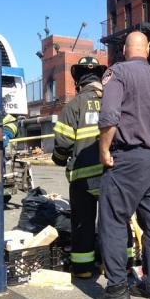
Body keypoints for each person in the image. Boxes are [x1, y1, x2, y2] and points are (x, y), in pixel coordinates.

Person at [82, 31, 150, 299]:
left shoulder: (117, 72)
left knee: (112, 220)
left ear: (123, 49)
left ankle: (117, 291)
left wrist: (104, 151)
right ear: (147, 49)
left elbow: (109, 117)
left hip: (128, 160)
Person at [52, 57, 107, 278]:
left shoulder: (73, 105)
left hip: (82, 177)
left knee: (83, 222)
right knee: (113, 220)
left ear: (78, 82)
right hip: (109, 173)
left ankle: (83, 268)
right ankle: (116, 265)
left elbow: (63, 142)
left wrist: (58, 158)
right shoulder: (113, 100)